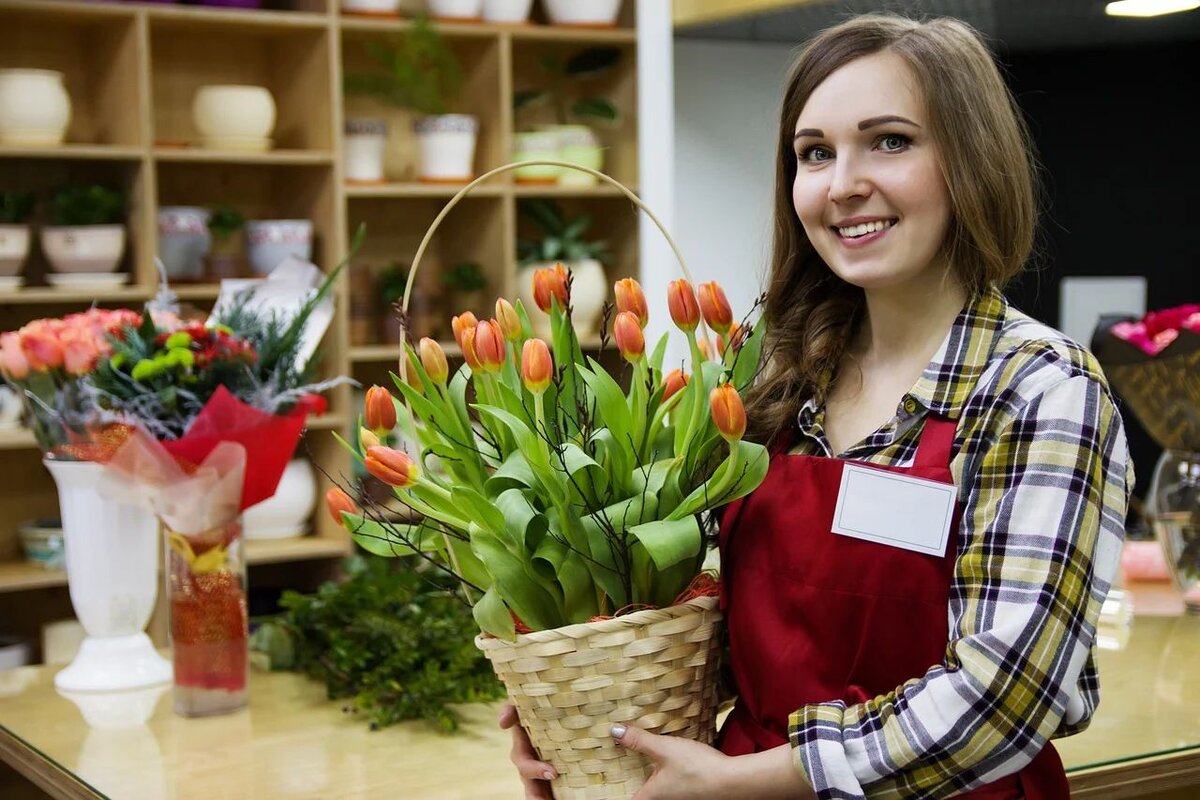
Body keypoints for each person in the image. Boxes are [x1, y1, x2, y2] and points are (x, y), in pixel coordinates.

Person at [502, 13, 1131, 799]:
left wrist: (757, 782)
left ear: (971, 160)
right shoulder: (774, 382)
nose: (842, 184)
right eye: (815, 153)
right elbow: (709, 627)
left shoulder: (1037, 390)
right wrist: (581, 706)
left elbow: (1003, 699)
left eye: (891, 141)